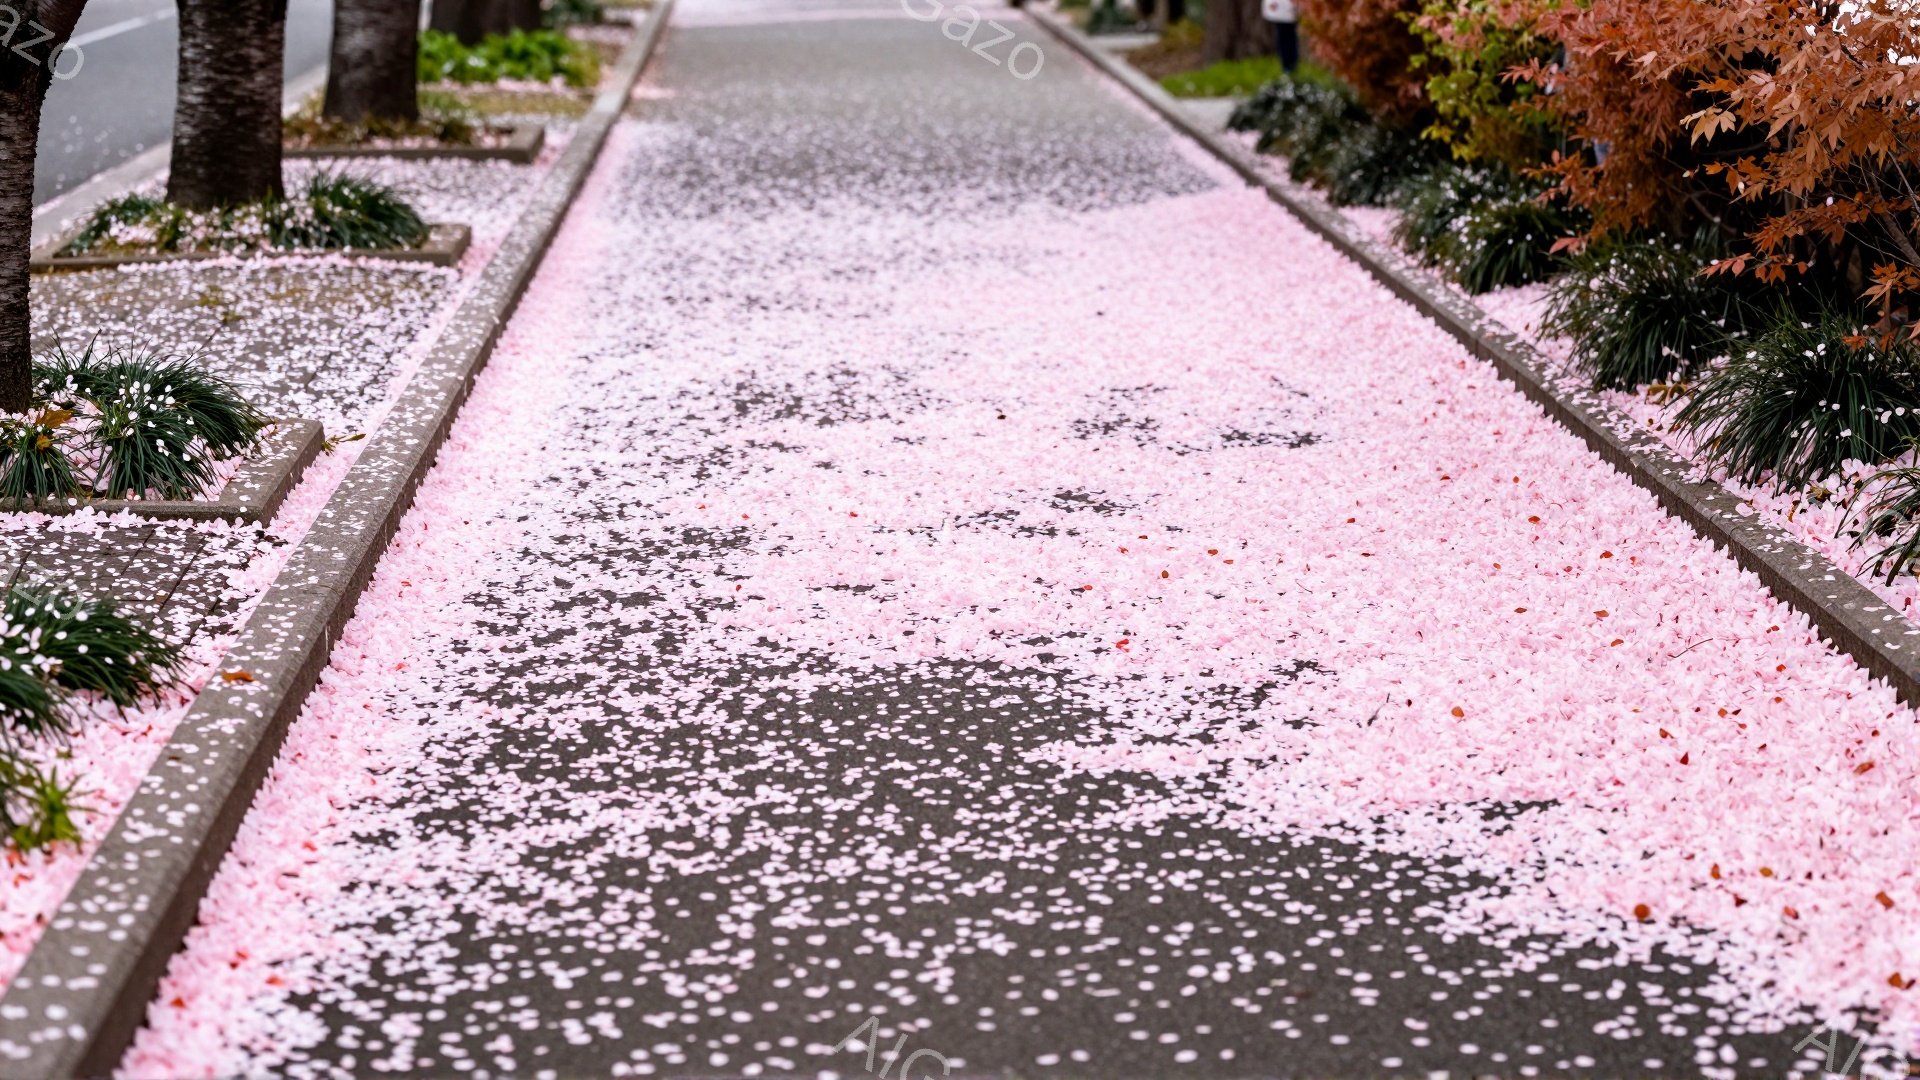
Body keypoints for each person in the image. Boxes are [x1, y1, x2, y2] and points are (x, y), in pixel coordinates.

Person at [1263, 0, 1298, 73]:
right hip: (1280, 8)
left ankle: (1291, 64)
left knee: (1290, 37)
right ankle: (1287, 65)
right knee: (1283, 37)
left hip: (1290, 8)